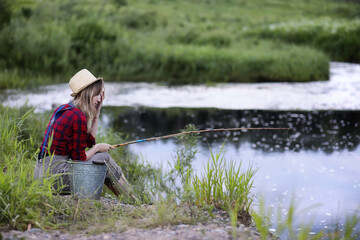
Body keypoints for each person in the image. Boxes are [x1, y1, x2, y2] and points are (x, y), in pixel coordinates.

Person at [34, 69, 136, 201]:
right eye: (98, 94)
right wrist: (98, 148)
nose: (100, 98)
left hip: (42, 174)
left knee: (101, 156)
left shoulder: (66, 109)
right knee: (104, 157)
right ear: (88, 93)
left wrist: (97, 113)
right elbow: (79, 159)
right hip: (54, 176)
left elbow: (88, 142)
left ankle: (130, 198)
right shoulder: (77, 116)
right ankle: (132, 200)